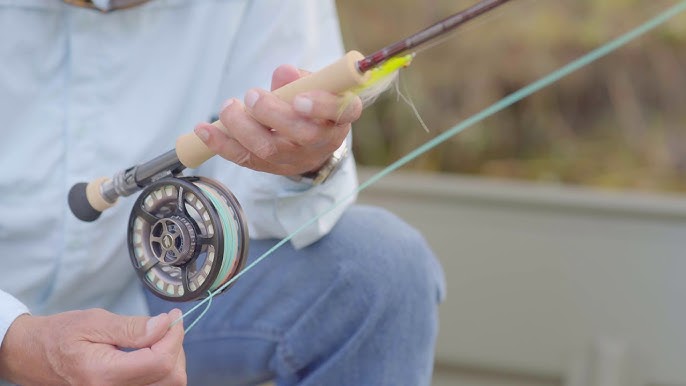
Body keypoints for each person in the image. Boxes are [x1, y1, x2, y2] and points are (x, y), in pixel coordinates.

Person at [0, 1, 445, 385]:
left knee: (384, 267)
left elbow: (272, 206)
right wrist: (13, 342)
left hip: (152, 300)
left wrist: (303, 164)